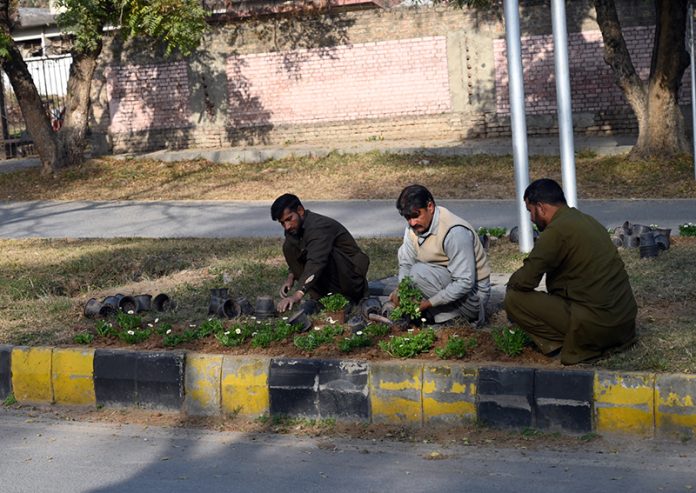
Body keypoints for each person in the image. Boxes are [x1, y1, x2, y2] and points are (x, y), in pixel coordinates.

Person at [504, 178, 637, 365]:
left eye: (530, 212)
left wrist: (510, 284)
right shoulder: (586, 220)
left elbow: (526, 279)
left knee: (514, 299)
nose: (531, 219)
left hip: (599, 327)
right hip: (625, 325)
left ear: (540, 207)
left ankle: (561, 345)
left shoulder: (557, 230)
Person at [392, 184, 491, 325]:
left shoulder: (455, 232)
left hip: (473, 298)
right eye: (408, 217)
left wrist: (427, 304)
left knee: (418, 273)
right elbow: (406, 263)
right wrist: (402, 290)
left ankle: (455, 320)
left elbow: (465, 282)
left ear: (430, 207)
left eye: (416, 215)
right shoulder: (412, 228)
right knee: (412, 275)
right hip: (441, 280)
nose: (412, 222)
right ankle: (437, 315)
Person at [271, 193, 370, 313]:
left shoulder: (319, 227)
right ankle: (320, 297)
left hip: (351, 277)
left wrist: (297, 295)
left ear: (300, 211)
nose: (286, 226)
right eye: (282, 223)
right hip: (330, 275)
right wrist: (290, 278)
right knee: (289, 246)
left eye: (289, 219)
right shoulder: (294, 229)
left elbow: (316, 261)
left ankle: (345, 298)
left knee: (322, 253)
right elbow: (298, 254)